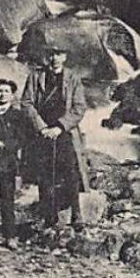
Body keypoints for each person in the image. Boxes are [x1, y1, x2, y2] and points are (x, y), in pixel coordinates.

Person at [21, 43, 90, 231]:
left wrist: (60, 127)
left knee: (70, 172)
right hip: (41, 132)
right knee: (43, 174)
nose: (54, 58)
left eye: (58, 54)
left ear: (65, 57)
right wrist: (41, 127)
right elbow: (26, 102)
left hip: (64, 132)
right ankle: (48, 216)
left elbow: (79, 107)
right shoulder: (36, 76)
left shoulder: (73, 78)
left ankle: (77, 214)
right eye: (51, 54)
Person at [0, 77, 38, 246]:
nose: (2, 94)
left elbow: (23, 138)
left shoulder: (18, 116)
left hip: (8, 163)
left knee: (7, 200)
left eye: (6, 91)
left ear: (12, 95)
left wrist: (4, 145)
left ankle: (10, 235)